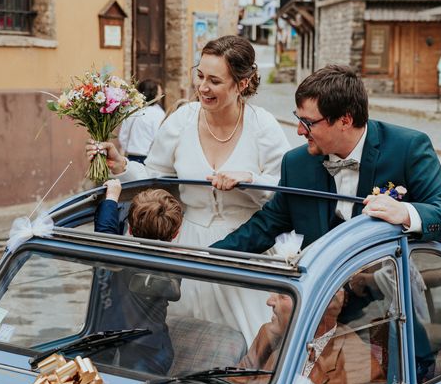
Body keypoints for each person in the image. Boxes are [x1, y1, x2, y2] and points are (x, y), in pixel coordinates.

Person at [86, 35, 291, 345]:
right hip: (188, 248)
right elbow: (155, 176)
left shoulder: (264, 127)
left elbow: (285, 192)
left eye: (215, 80)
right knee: (188, 342)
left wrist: (249, 179)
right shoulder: (182, 120)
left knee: (252, 344)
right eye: (200, 76)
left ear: (242, 84)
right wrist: (122, 165)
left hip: (246, 249)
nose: (203, 87)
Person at [212, 64, 441, 253]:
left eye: (308, 123)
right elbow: (263, 227)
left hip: (390, 304)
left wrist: (405, 212)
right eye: (298, 119)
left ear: (345, 120)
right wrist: (203, 257)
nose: (299, 131)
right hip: (320, 301)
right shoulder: (296, 163)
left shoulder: (408, 148)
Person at [93, 180, 183, 375]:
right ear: (175, 233)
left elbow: (104, 237)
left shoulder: (122, 257)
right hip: (153, 348)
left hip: (111, 339)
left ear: (131, 230)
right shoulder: (176, 262)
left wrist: (112, 197)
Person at [236, 289, 383, 384]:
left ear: (315, 312)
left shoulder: (357, 364)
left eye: (283, 296)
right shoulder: (268, 333)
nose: (269, 301)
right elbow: (236, 383)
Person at [118, 79, 165, 164]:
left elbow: (123, 137)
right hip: (149, 159)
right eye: (159, 93)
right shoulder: (158, 113)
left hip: (130, 158)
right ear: (153, 94)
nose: (161, 95)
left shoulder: (130, 110)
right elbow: (160, 138)